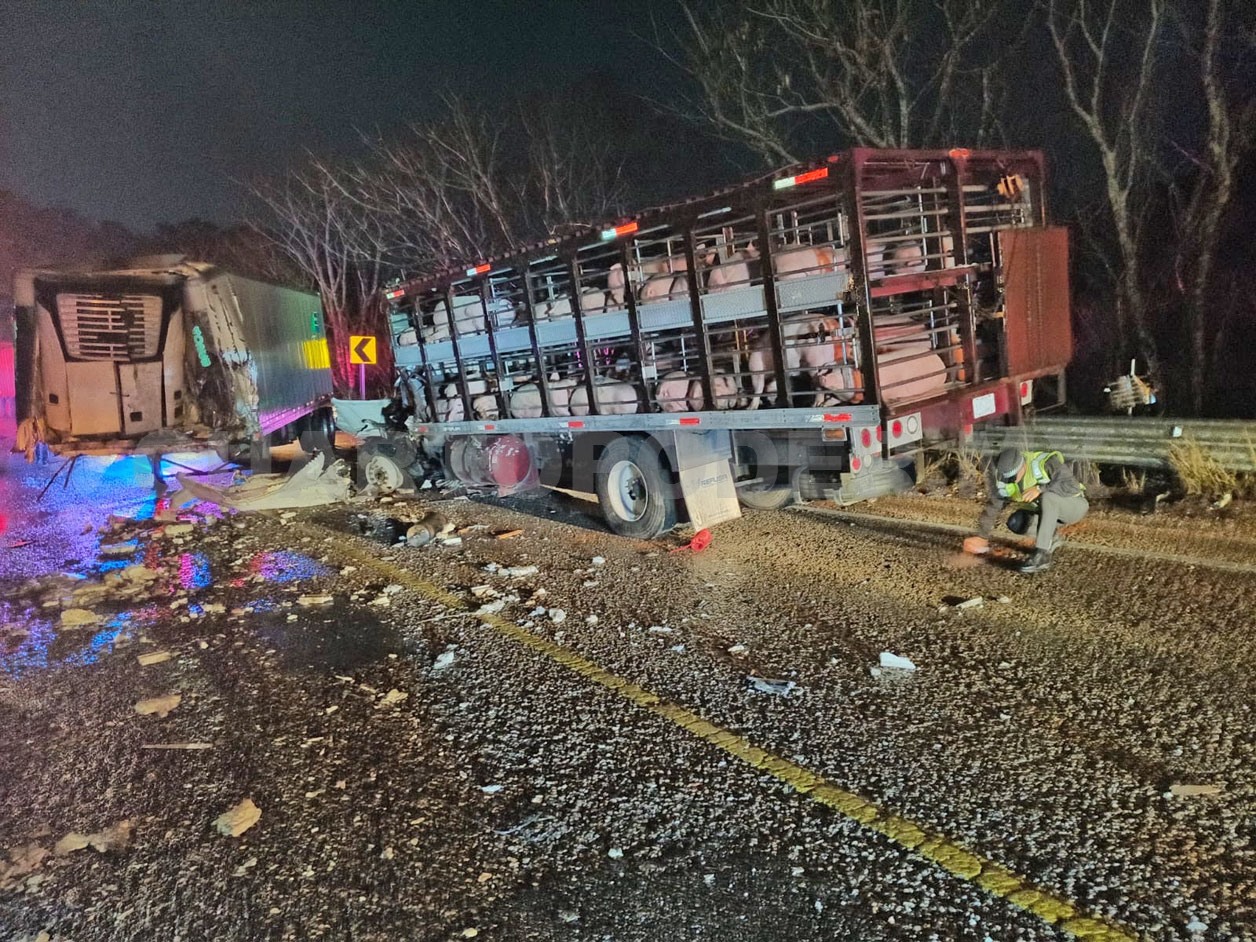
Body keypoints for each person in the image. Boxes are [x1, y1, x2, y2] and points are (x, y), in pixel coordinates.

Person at [965, 447, 1088, 574]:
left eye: (1014, 476)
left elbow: (1072, 486)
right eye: (1008, 477)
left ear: (1022, 465)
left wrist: (1040, 489)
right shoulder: (1004, 478)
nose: (1011, 480)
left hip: (1073, 507)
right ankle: (1052, 538)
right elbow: (994, 505)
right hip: (1047, 514)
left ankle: (1042, 556)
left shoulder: (1044, 462)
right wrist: (981, 536)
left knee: (1048, 497)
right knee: (1017, 522)